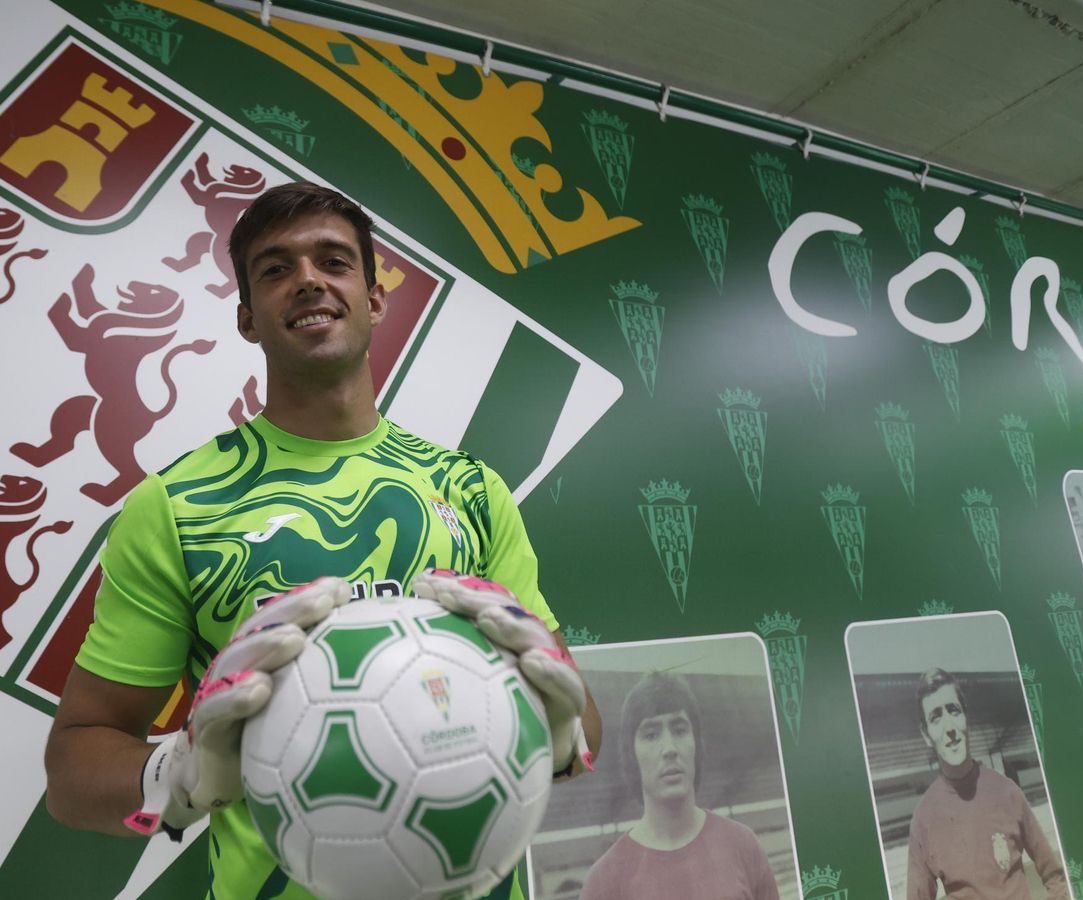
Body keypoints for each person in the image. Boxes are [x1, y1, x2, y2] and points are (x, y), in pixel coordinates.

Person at [42, 181, 603, 899]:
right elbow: (74, 766)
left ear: (374, 298)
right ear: (247, 318)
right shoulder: (176, 505)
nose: (307, 279)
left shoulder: (470, 489)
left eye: (333, 261)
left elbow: (580, 717)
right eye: (276, 269)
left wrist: (561, 729)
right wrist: (177, 773)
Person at [581, 671, 778, 900]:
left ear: (696, 742)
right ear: (631, 754)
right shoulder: (603, 882)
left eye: (679, 730)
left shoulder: (743, 846)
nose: (670, 748)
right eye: (651, 734)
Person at [905, 669, 1069, 900]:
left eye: (954, 711)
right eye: (936, 717)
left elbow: (1055, 876)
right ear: (926, 734)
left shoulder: (1007, 792)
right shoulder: (924, 819)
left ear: (966, 717)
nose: (949, 728)